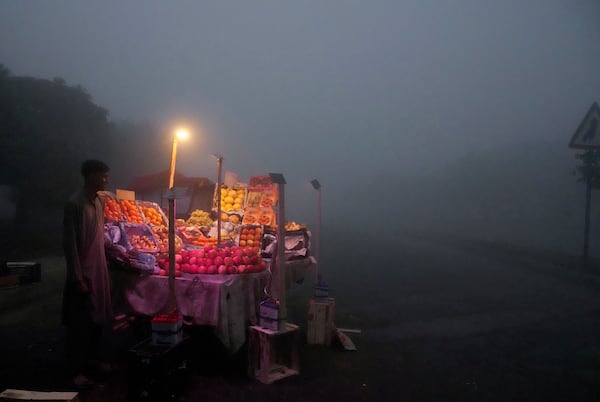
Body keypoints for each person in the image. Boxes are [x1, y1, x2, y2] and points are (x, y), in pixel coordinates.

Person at [62, 159, 113, 389]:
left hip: (99, 267)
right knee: (80, 323)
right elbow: (70, 244)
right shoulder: (75, 204)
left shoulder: (98, 202)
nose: (106, 179)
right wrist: (77, 277)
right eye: (103, 176)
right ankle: (76, 371)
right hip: (84, 271)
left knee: (97, 319)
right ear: (90, 176)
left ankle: (94, 361)